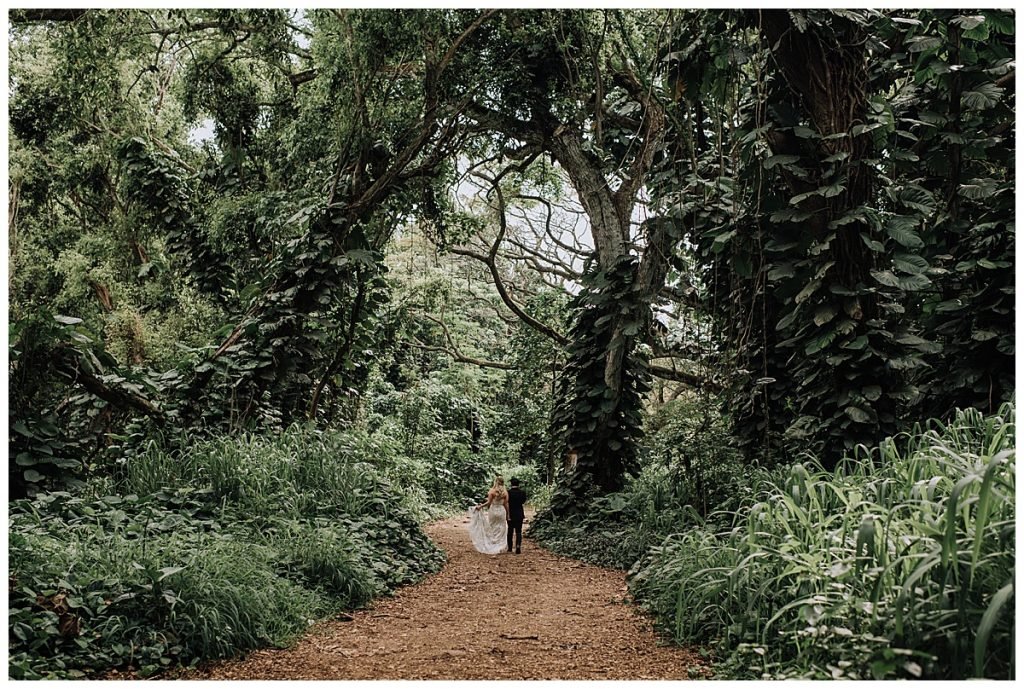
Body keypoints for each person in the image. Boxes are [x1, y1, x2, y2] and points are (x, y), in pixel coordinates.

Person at [467, 476, 508, 555]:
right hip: (501, 510)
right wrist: (508, 515)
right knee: (501, 527)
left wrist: (480, 506)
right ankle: (500, 545)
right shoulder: (505, 492)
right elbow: (506, 504)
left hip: (493, 510)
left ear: (495, 482)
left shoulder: (492, 491)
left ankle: (493, 543)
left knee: (492, 526)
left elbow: (489, 503)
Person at [506, 477, 527, 554]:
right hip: (519, 513)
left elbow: (506, 502)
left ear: (511, 484)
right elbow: (523, 501)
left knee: (510, 530)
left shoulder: (508, 492)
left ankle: (510, 547)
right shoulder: (522, 492)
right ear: (518, 484)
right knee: (518, 531)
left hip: (510, 513)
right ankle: (518, 546)